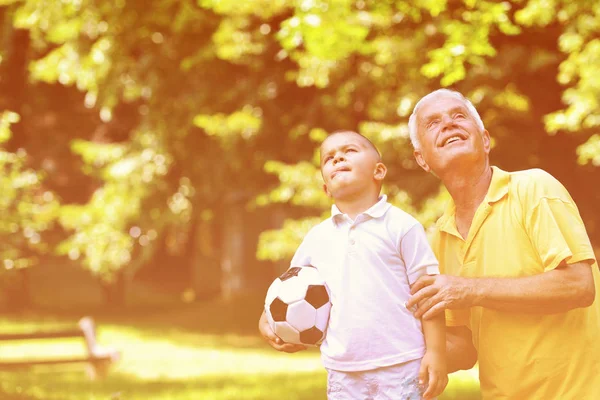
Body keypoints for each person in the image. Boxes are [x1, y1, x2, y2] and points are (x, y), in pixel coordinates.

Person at [405, 88, 600, 399]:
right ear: (422, 159)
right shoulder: (439, 237)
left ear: (484, 139)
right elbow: (464, 346)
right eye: (433, 123)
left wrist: (468, 289)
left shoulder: (534, 188)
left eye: (459, 116)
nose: (449, 124)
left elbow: (579, 285)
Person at [258, 130, 448, 399]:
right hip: (343, 369)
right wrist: (267, 318)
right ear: (326, 188)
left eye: (349, 151)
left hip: (401, 363)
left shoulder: (402, 227)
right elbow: (290, 287)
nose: (338, 158)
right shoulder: (317, 238)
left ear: (378, 171)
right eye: (329, 158)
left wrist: (436, 352)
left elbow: (429, 293)